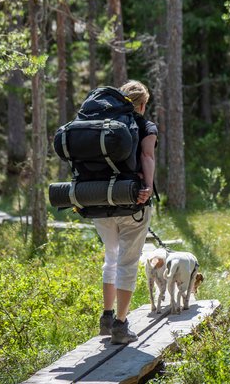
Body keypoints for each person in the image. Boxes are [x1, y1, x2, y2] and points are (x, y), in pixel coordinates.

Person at [95, 80, 157, 344]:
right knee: (128, 263)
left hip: (99, 202)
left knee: (111, 258)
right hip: (132, 201)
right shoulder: (144, 124)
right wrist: (149, 187)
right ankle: (120, 326)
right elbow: (147, 157)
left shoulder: (101, 123)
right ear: (142, 104)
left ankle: (106, 318)